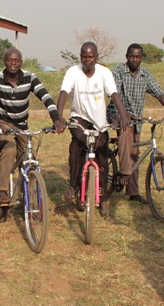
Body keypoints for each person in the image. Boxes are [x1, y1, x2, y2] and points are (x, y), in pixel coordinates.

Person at [55, 42, 131, 217]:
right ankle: (73, 185)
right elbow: (64, 93)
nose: (87, 60)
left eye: (90, 57)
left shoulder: (104, 73)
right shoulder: (72, 72)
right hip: (79, 118)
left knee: (102, 156)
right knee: (77, 144)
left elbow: (113, 94)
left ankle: (103, 198)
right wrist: (58, 117)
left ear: (96, 58)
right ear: (80, 56)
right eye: (84, 56)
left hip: (99, 121)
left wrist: (124, 115)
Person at [107, 43, 164, 204]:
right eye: (132, 56)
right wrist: (124, 114)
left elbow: (159, 92)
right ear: (127, 57)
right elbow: (114, 95)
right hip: (118, 115)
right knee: (126, 134)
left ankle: (133, 192)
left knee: (135, 154)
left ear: (142, 58)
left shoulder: (145, 74)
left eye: (138, 57)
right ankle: (125, 173)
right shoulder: (118, 71)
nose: (135, 59)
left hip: (137, 120)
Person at [0, 48, 60, 204]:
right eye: (10, 60)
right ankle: (1, 189)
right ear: (4, 62)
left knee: (29, 157)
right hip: (3, 123)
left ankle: (29, 197)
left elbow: (46, 97)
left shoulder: (30, 77)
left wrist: (56, 119)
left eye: (16, 60)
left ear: (21, 63)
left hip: (22, 125)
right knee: (9, 148)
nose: (13, 63)